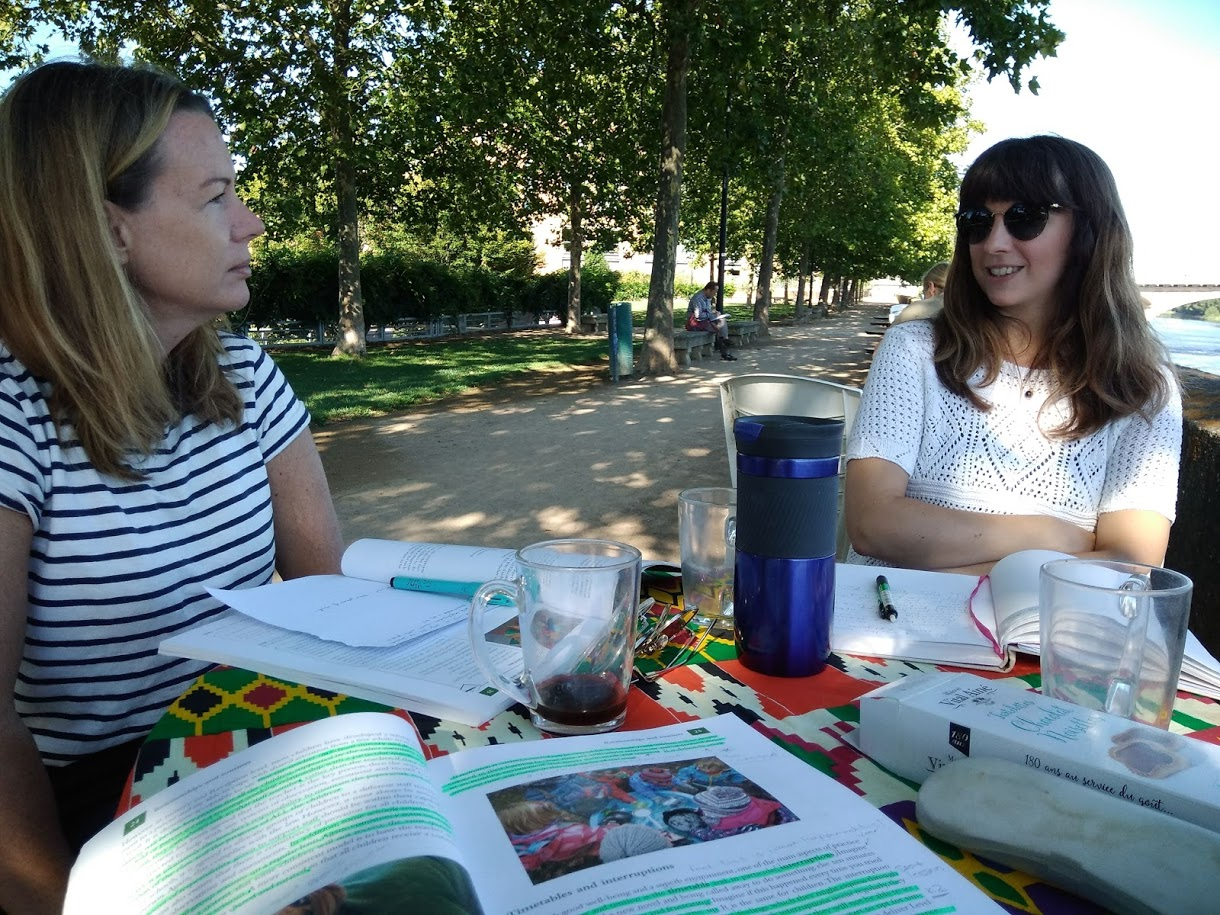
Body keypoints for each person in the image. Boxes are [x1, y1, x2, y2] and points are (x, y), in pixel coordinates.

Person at [0, 61, 344, 912]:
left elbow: (327, 602)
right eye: (216, 196)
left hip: (259, 748)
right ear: (108, 229)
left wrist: (333, 812)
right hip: (102, 808)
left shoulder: (244, 372)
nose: (251, 222)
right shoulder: (13, 411)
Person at [845, 136, 1181, 575]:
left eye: (1025, 218)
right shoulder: (915, 351)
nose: (994, 243)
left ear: (1089, 230)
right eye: (977, 221)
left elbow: (1131, 563)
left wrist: (956, 577)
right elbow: (872, 525)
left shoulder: (1143, 388)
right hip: (890, 619)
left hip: (1025, 627)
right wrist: (1049, 536)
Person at [686, 281, 736, 361]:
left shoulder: (708, 298)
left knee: (722, 320)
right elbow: (698, 316)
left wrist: (715, 313)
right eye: (714, 292)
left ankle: (725, 343)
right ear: (708, 290)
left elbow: (708, 311)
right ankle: (725, 350)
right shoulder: (698, 298)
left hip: (705, 321)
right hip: (695, 323)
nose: (715, 294)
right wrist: (711, 315)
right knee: (720, 328)